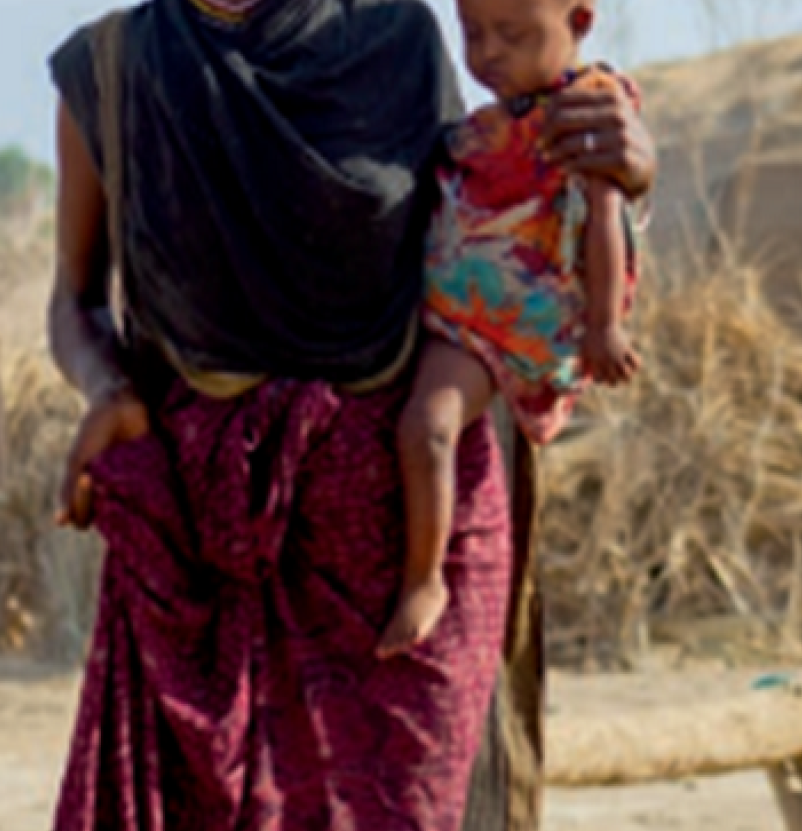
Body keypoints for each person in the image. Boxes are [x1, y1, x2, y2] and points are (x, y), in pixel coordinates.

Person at [44, 1, 655, 828]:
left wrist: (623, 174)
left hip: (406, 552)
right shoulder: (113, 68)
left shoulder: (392, 34)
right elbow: (76, 298)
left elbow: (506, 206)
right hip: (201, 544)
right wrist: (107, 388)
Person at [381, 0, 646, 659]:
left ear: (578, 23)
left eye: (514, 34)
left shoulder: (586, 107)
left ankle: (424, 579)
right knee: (418, 426)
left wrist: (605, 325)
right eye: (473, 34)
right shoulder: (489, 124)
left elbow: (602, 215)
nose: (489, 52)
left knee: (428, 426)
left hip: (514, 329)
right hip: (454, 317)